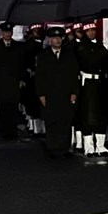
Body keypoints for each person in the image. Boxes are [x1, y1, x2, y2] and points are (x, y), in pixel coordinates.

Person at [35, 26, 80, 158]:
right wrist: (41, 94)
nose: (57, 40)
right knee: (51, 120)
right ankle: (52, 146)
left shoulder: (69, 54)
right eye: (54, 38)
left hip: (66, 93)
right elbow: (39, 77)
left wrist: (74, 92)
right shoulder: (43, 56)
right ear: (50, 40)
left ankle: (64, 147)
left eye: (59, 38)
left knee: (65, 121)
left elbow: (74, 75)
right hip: (50, 94)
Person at [0, 22, 25, 140]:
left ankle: (12, 131)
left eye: (9, 32)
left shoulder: (18, 46)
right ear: (2, 33)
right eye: (6, 32)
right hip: (1, 81)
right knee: (3, 107)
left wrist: (21, 79)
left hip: (13, 81)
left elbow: (21, 64)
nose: (8, 34)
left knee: (13, 107)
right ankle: (4, 130)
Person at [76, 21, 108, 157]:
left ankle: (100, 145)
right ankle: (88, 146)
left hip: (100, 82)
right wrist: (104, 49)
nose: (91, 33)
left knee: (101, 113)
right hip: (88, 83)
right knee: (88, 114)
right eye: (88, 31)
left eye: (93, 30)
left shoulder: (99, 45)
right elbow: (91, 61)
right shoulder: (81, 46)